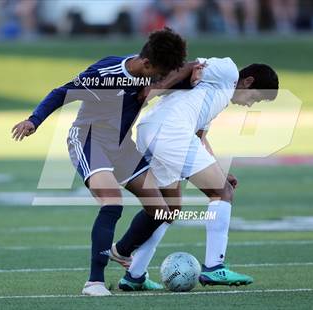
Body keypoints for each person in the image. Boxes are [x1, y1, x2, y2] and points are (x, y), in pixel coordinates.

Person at [11, 28, 192, 296]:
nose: (161, 80)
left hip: (121, 146)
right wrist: (34, 120)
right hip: (89, 140)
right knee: (112, 201)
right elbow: (61, 92)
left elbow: (189, 70)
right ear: (146, 64)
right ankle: (94, 282)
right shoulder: (105, 73)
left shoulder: (153, 70)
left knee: (162, 209)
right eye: (158, 74)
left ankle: (122, 250)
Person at [113, 58, 279, 289]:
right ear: (248, 81)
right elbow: (190, 64)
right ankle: (214, 267)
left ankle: (134, 275)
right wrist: (154, 89)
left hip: (153, 130)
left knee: (168, 210)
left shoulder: (214, 97)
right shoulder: (228, 71)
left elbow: (200, 138)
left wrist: (220, 171)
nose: (251, 104)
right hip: (170, 132)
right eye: (255, 98)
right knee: (223, 193)